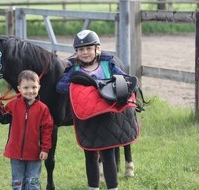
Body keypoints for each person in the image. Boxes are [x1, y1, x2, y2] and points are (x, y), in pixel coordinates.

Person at [56, 30, 139, 190]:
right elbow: (60, 87)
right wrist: (79, 85)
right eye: (81, 50)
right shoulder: (74, 70)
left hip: (107, 117)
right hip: (86, 119)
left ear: (97, 49)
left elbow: (124, 79)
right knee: (90, 155)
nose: (85, 52)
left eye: (88, 48)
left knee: (108, 155)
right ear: (76, 52)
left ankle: (112, 187)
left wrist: (108, 84)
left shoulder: (108, 64)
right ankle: (93, 187)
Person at [0, 70, 54, 190]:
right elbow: (3, 118)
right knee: (17, 183)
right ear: (19, 89)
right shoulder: (13, 105)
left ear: (39, 87)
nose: (30, 91)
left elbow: (47, 130)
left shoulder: (43, 109)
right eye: (26, 87)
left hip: (35, 154)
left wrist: (45, 149)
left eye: (34, 87)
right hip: (15, 154)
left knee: (33, 182)